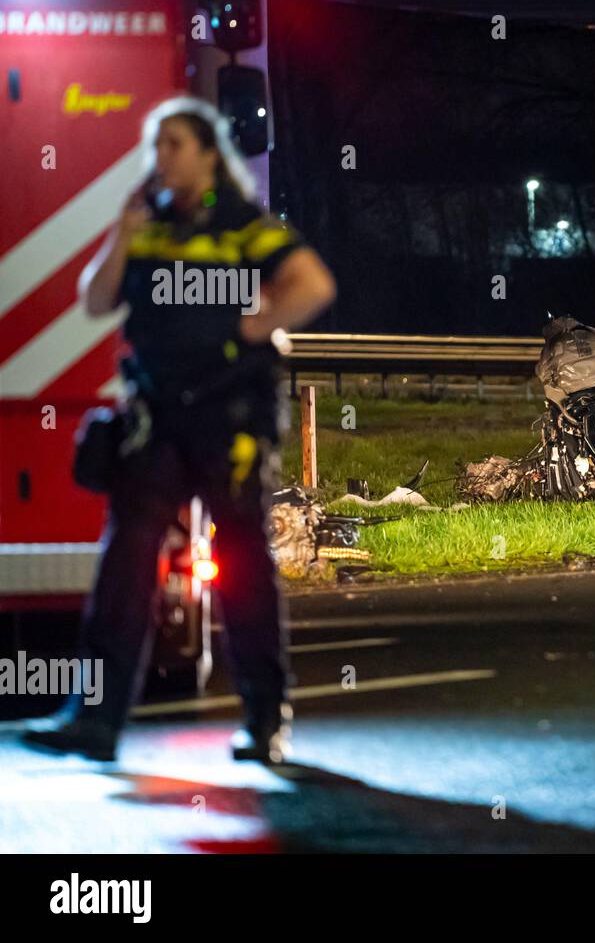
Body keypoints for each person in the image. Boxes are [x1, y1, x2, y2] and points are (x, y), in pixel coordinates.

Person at [22, 96, 335, 763]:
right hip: (158, 418)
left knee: (243, 567)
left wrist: (242, 331)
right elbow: (97, 300)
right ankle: (95, 722)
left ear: (207, 154)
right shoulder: (150, 225)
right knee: (125, 563)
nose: (159, 157)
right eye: (155, 145)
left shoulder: (239, 223)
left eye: (173, 145)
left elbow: (311, 284)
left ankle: (263, 722)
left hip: (228, 420)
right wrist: (123, 235)